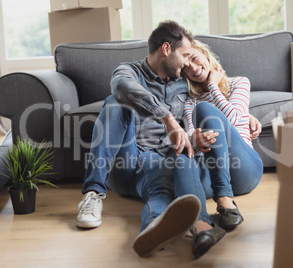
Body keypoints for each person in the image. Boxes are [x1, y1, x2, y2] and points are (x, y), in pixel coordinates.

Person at [76, 21, 226, 259]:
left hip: (168, 162)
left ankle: (154, 228)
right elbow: (122, 86)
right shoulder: (128, 71)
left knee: (158, 191)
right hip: (130, 161)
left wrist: (241, 113)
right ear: (166, 49)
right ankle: (93, 194)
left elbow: (215, 93)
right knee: (115, 102)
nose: (188, 62)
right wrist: (168, 119)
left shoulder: (183, 82)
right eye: (185, 55)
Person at [181, 39, 264, 230]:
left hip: (245, 171)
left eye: (194, 58)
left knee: (205, 108)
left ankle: (225, 200)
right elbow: (190, 135)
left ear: (205, 54)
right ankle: (206, 215)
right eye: (186, 67)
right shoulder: (189, 101)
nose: (193, 68)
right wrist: (195, 141)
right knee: (180, 176)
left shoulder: (239, 83)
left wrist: (213, 86)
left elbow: (234, 119)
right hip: (214, 174)